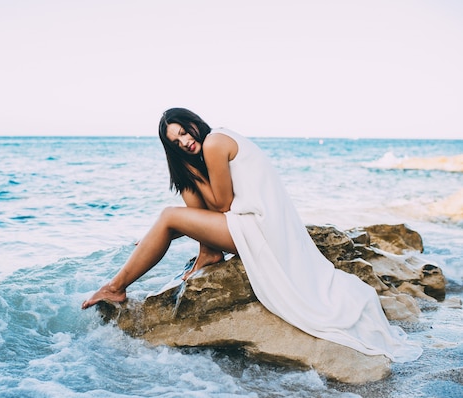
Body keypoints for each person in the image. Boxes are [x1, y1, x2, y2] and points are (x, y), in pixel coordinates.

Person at [82, 108, 422, 363]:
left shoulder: (214, 142)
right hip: (260, 227)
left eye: (185, 131)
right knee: (177, 205)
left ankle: (115, 288)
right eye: (176, 142)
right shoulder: (216, 142)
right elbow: (212, 209)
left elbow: (222, 205)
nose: (185, 141)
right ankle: (208, 253)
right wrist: (182, 189)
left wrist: (187, 182)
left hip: (258, 230)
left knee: (170, 216)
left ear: (194, 123)